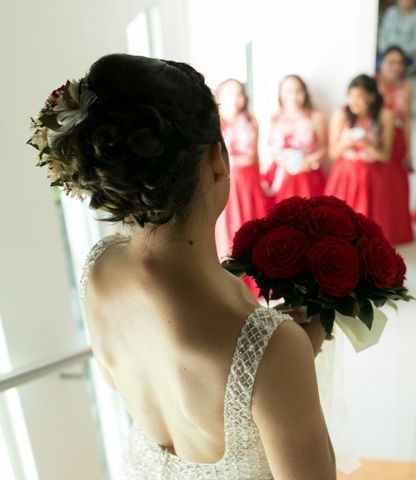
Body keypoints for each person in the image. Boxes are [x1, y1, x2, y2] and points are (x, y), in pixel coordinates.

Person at [29, 54, 335, 479]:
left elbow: (125, 377)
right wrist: (294, 357)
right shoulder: (277, 348)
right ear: (216, 158)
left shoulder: (98, 270)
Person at [325, 74, 395, 233]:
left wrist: (365, 144)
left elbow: (385, 156)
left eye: (358, 97)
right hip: (344, 175)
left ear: (371, 97)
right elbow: (333, 153)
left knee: (367, 227)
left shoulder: (385, 115)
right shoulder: (341, 114)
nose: (353, 102)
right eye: (350, 96)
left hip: (372, 175)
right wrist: (347, 143)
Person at [214, 79, 265, 261]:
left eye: (239, 93)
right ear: (219, 96)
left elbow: (256, 155)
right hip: (228, 180)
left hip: (250, 181)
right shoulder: (214, 124)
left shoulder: (252, 121)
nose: (235, 98)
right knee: (229, 229)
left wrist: (259, 181)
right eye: (230, 93)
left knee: (252, 228)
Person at [264, 75, 327, 208]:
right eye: (288, 91)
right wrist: (279, 158)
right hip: (281, 175)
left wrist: (308, 161)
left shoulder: (315, 117)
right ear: (281, 94)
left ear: (305, 93)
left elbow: (323, 147)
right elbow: (271, 145)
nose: (293, 96)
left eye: (298, 91)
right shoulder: (275, 118)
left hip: (307, 176)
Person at [376, 46, 415, 245]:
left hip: (397, 139)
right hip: (378, 138)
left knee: (396, 186)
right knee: (379, 185)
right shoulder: (373, 84)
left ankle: (394, 231)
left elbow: (407, 119)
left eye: (400, 63)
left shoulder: (406, 88)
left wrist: (409, 149)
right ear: (381, 63)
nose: (396, 67)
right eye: (391, 62)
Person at [378, 0, 416, 74]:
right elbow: (382, 36)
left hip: (407, 56)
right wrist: (387, 52)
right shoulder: (390, 12)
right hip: (386, 53)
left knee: (398, 67)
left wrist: (398, 53)